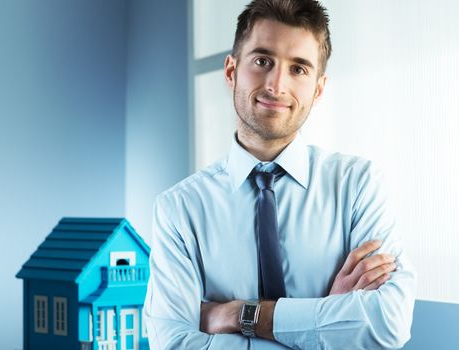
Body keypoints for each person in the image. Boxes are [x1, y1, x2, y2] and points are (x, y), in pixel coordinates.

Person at [143, 0, 416, 349]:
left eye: (299, 69)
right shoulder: (179, 210)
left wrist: (240, 315)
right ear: (231, 71)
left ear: (317, 89)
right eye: (262, 61)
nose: (276, 85)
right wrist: (327, 317)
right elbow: (173, 343)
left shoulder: (358, 187)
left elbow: (388, 325)